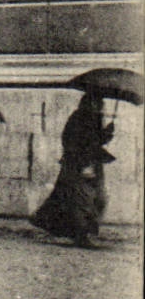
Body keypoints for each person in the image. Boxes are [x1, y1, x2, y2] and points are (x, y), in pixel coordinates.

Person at [31, 91, 114, 247]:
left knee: (94, 199)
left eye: (101, 104)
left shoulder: (93, 119)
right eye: (98, 103)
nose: (102, 107)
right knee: (81, 200)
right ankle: (81, 236)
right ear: (89, 103)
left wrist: (107, 134)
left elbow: (94, 140)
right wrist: (83, 161)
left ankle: (81, 233)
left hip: (89, 164)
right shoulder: (79, 118)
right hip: (78, 165)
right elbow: (73, 141)